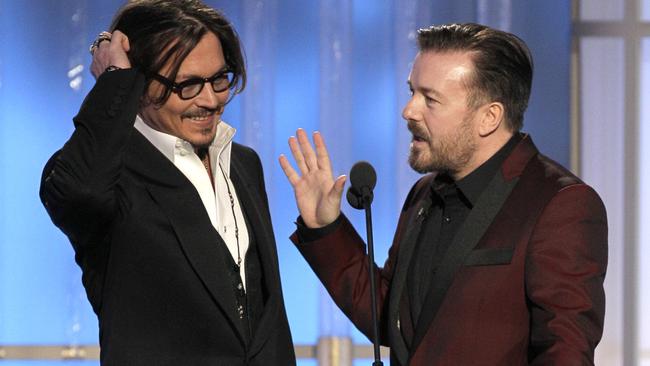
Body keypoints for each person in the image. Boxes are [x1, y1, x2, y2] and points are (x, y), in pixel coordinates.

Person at [280, 23, 607, 365]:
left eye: (430, 99)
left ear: (489, 117)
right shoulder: (424, 193)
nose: (409, 111)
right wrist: (324, 227)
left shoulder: (559, 204)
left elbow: (565, 353)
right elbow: (392, 319)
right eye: (412, 92)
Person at [40, 1, 295, 364]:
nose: (211, 100)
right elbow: (76, 194)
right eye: (188, 85)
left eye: (220, 79)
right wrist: (114, 83)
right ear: (140, 84)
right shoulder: (108, 175)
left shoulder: (244, 164)